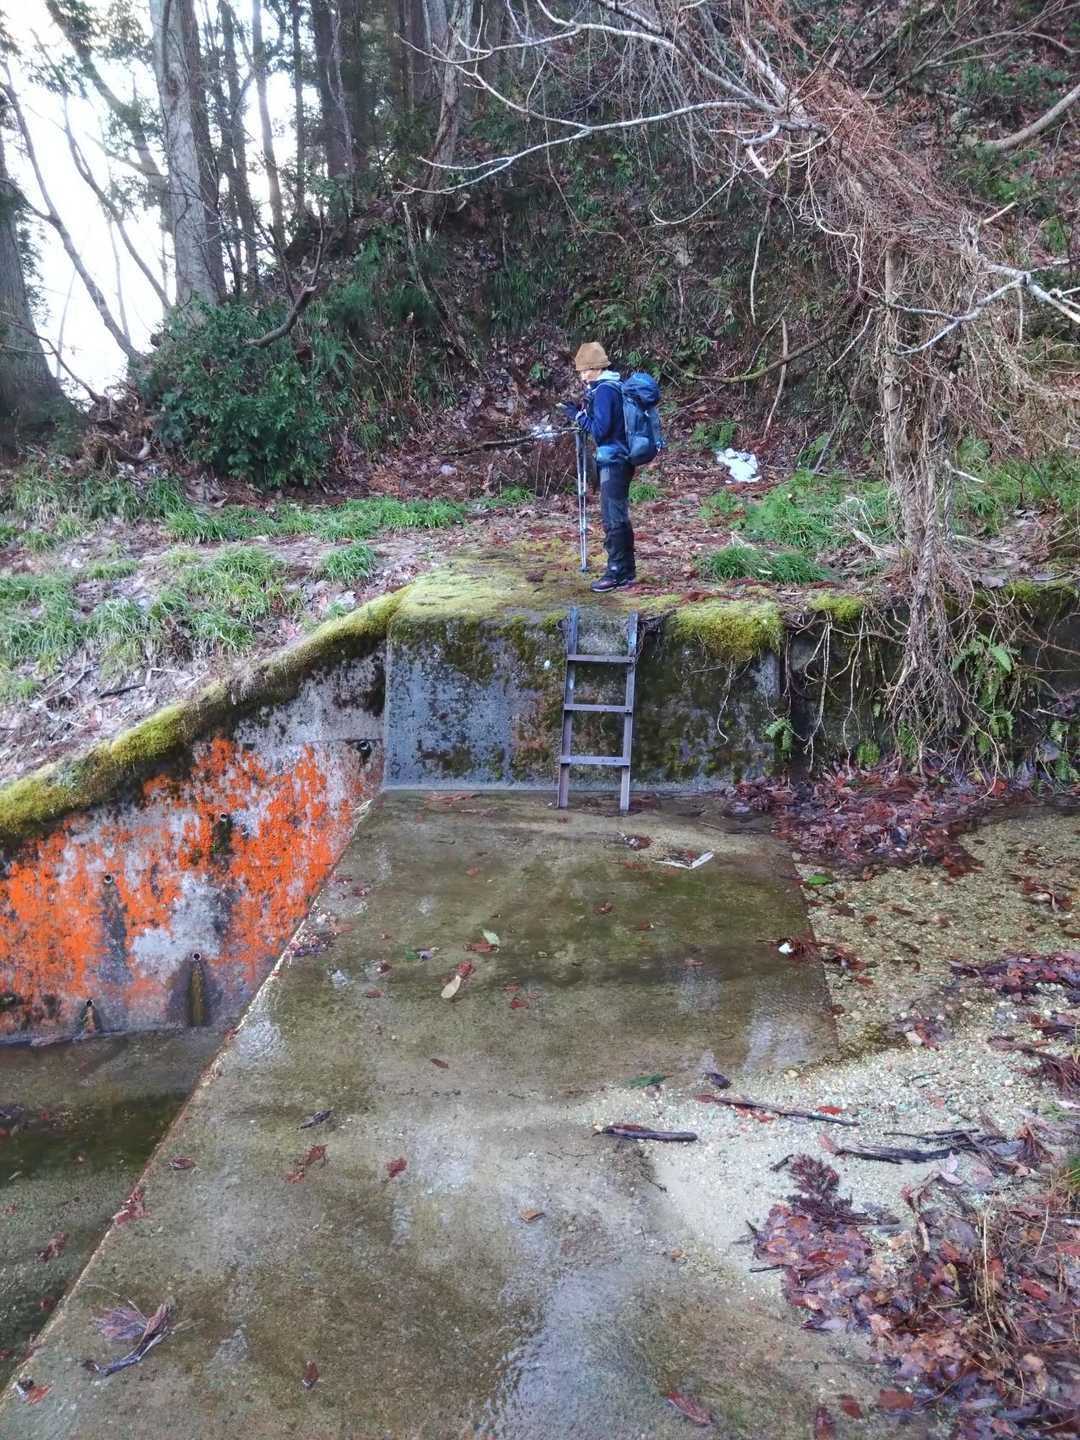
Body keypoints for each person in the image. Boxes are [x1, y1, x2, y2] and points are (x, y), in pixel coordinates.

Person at [560, 342, 635, 593]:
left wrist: (577, 416)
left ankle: (615, 572)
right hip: (621, 458)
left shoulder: (604, 391)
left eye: (585, 371)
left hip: (613, 460)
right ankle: (627, 570)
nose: (582, 376)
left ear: (597, 368)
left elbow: (601, 431)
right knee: (619, 515)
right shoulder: (615, 386)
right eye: (581, 371)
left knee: (613, 517)